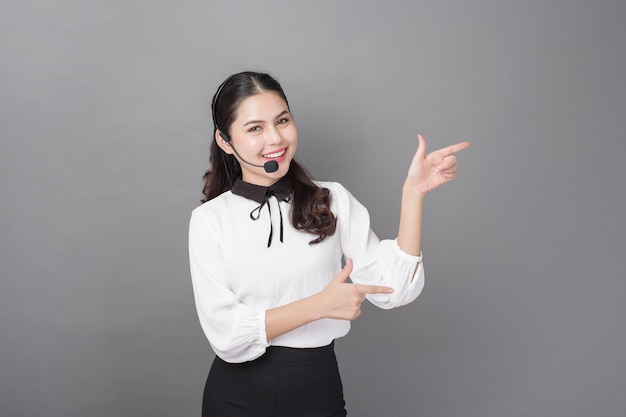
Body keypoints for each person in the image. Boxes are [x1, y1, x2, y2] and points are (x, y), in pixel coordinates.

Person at [189, 71, 469, 417]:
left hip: (317, 389)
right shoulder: (210, 220)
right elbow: (227, 335)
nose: (275, 138)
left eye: (282, 120)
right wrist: (319, 305)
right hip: (237, 396)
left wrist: (413, 195)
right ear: (225, 140)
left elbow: (393, 289)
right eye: (255, 128)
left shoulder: (333, 199)